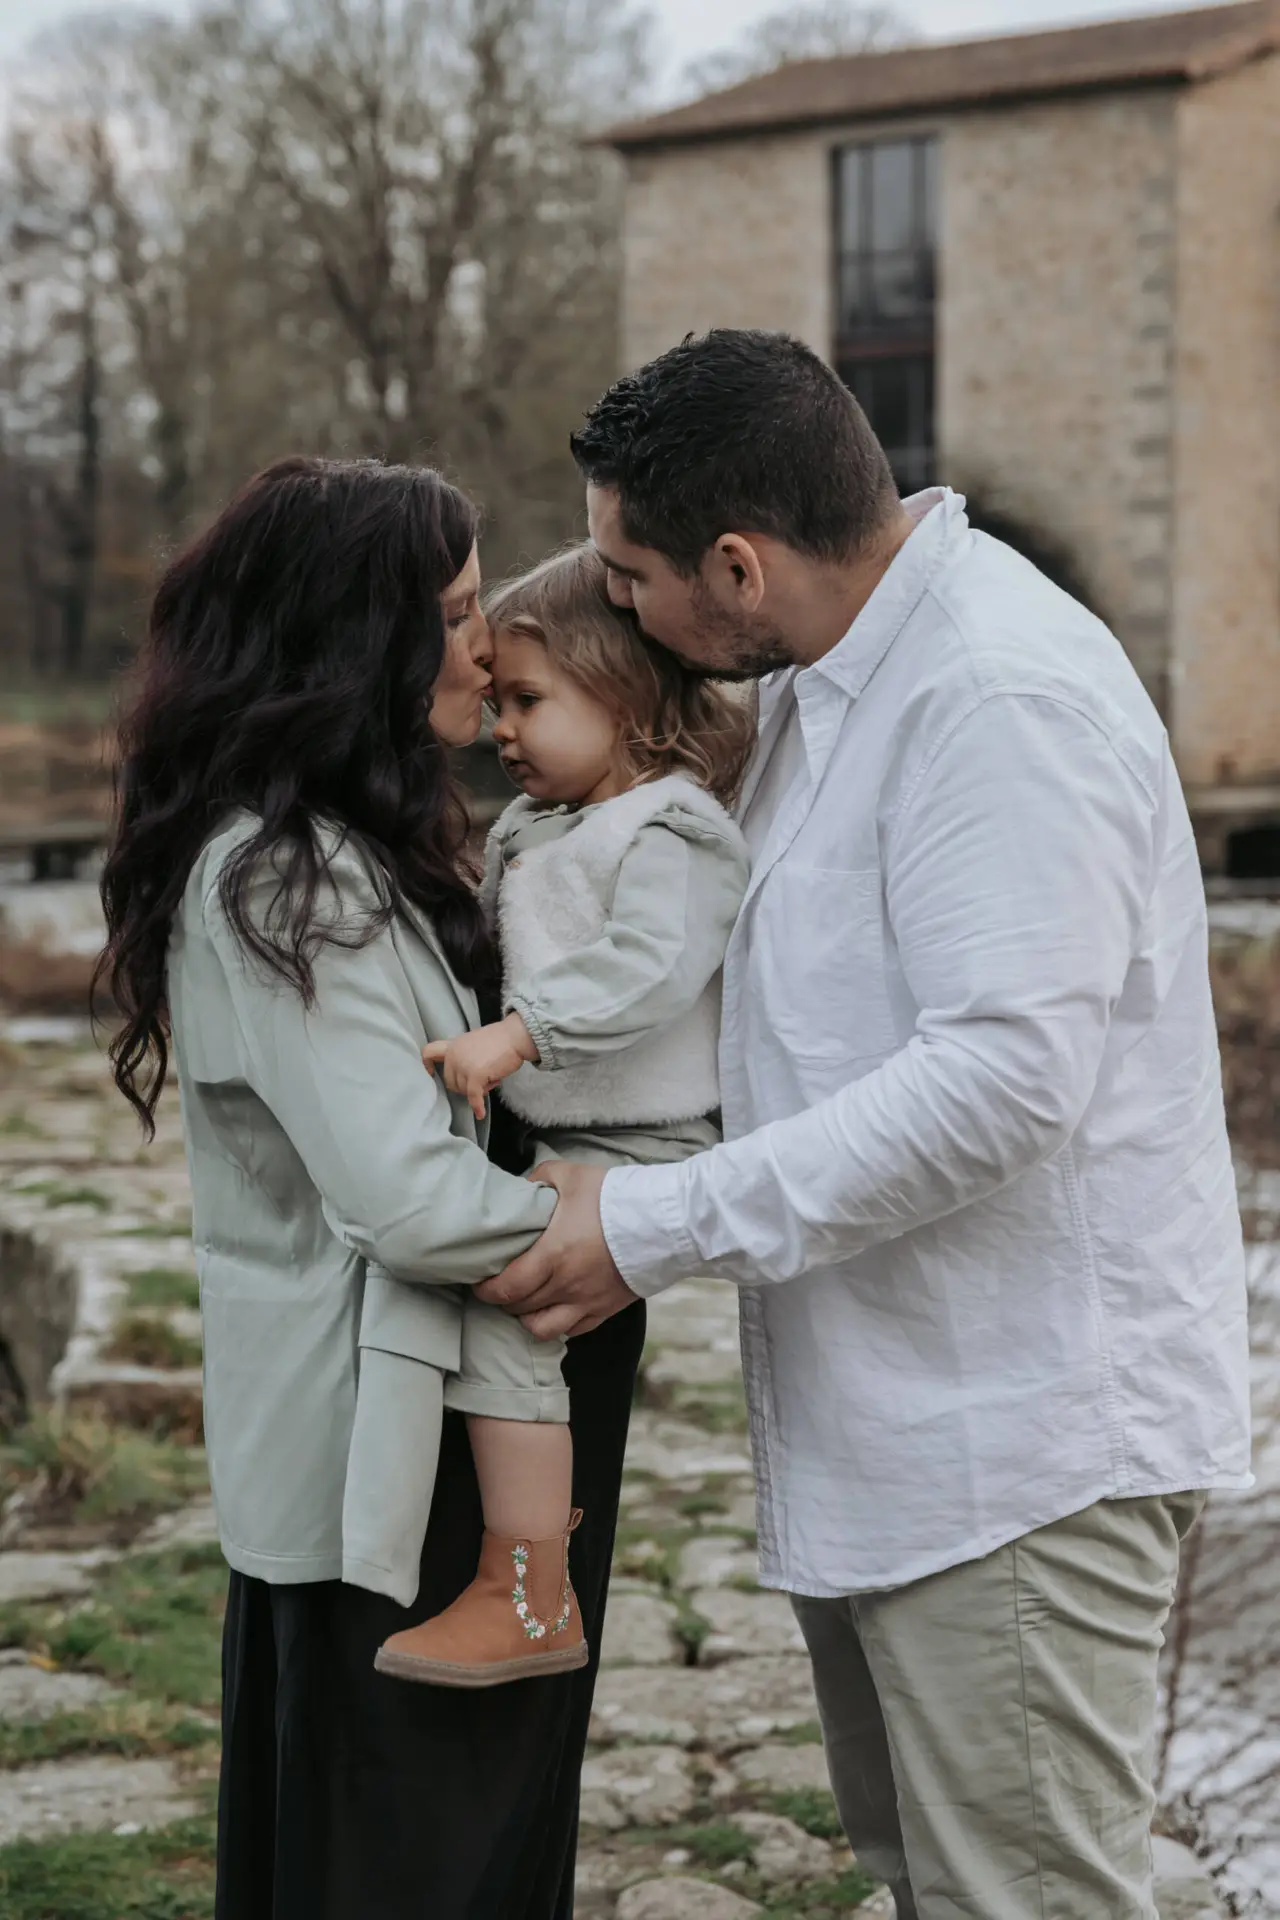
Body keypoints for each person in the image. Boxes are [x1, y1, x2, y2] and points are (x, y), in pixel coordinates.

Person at [478, 331, 1254, 1918]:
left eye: (630, 576)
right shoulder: (834, 688)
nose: (615, 605)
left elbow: (1001, 1084)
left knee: (1019, 1901)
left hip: (1022, 1451)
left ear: (739, 568)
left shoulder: (995, 696)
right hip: (905, 1432)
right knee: (929, 1883)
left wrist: (643, 1228)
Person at [95, 457, 643, 1920]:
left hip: (467, 1419)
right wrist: (629, 1227)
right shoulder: (283, 886)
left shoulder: (360, 855)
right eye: (457, 614)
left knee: (473, 1849)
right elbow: (406, 1199)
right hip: (391, 1465)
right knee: (413, 1868)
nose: (489, 647)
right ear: (362, 645)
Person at [375, 542, 750, 1686]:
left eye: (528, 701)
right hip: (569, 1131)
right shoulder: (541, 827)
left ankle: (529, 1590)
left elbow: (648, 969)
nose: (500, 728)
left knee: (505, 1297)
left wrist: (520, 1033)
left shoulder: (671, 832)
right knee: (480, 1279)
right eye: (494, 702)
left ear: (626, 698)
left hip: (647, 1138)